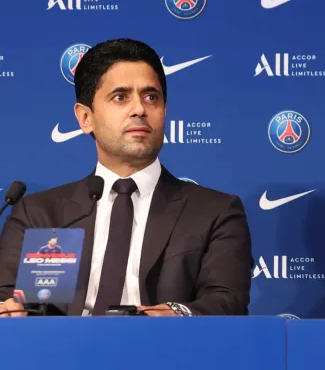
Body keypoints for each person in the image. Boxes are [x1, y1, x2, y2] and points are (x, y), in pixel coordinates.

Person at [0, 38, 253, 317]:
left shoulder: (213, 212)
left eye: (151, 97)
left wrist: (177, 313)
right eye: (120, 97)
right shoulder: (40, 215)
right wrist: (12, 312)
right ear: (85, 118)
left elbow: (227, 301)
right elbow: (9, 301)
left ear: (164, 110)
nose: (140, 109)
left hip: (164, 354)